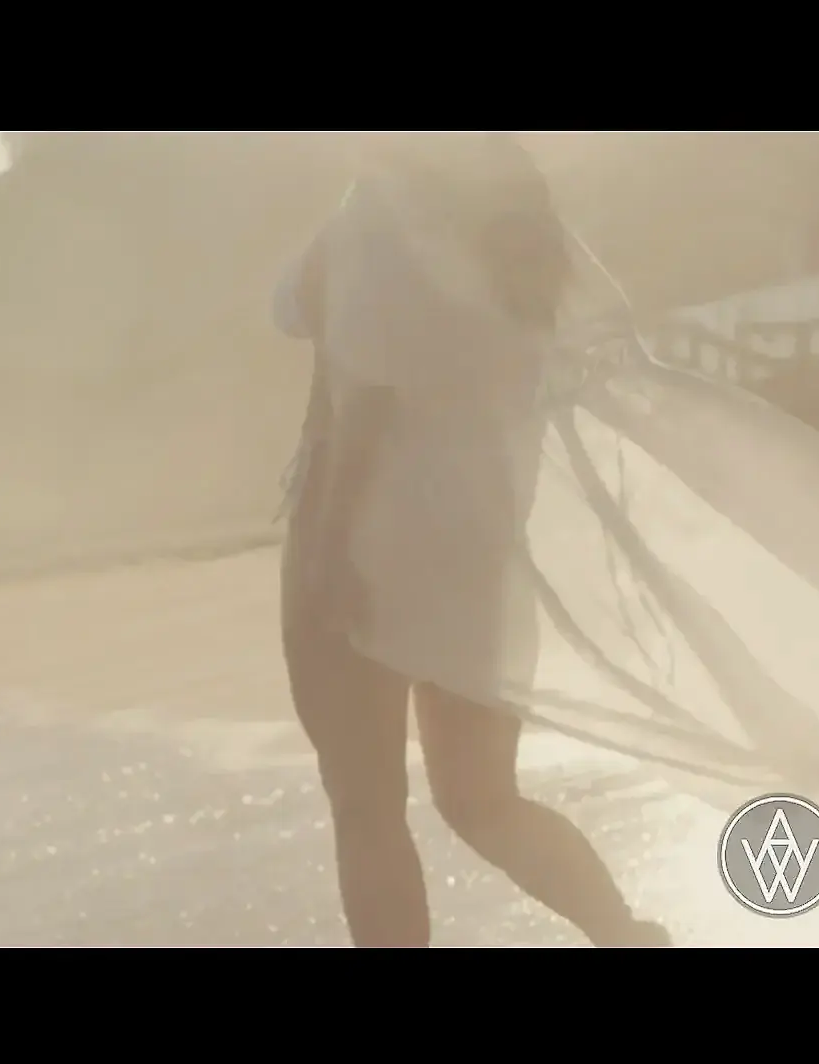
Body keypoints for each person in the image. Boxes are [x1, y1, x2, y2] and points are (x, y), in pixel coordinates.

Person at [274, 134, 673, 947]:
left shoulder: (381, 216)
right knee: (483, 800)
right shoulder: (516, 226)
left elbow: (368, 400)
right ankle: (626, 937)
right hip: (474, 539)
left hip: (364, 525)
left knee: (365, 806)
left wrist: (330, 548)